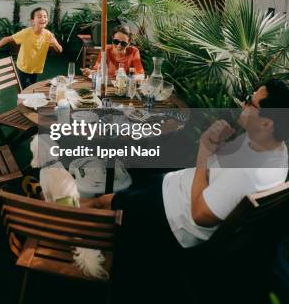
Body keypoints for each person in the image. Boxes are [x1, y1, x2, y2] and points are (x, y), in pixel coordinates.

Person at [87, 79, 289, 252]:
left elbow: (199, 215)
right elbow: (224, 169)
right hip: (177, 186)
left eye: (250, 103)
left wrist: (203, 152)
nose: (243, 105)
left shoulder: (247, 174)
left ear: (267, 122)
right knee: (140, 164)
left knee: (103, 201)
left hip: (173, 218)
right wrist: (218, 145)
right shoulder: (274, 149)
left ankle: (64, 226)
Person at [0, 7, 62, 89]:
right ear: (32, 21)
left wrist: (54, 44)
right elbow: (7, 38)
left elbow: (60, 50)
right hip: (23, 68)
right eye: (39, 17)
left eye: (45, 16)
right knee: (24, 92)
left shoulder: (48, 34)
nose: (43, 19)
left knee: (32, 89)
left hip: (36, 69)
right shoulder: (25, 33)